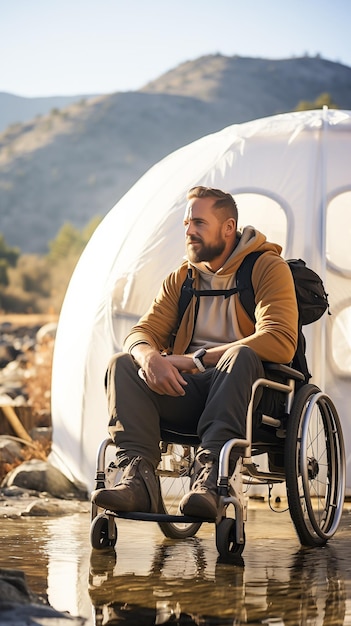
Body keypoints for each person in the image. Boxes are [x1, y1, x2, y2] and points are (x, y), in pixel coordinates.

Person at [92, 186, 298, 519]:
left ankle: (212, 481)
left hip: (248, 395)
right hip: (188, 391)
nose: (188, 231)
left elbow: (279, 339)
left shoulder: (268, 267)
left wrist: (196, 360)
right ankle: (138, 479)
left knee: (240, 355)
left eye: (199, 222)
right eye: (187, 222)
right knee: (123, 364)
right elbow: (141, 333)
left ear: (228, 228)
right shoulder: (182, 278)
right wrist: (149, 357)